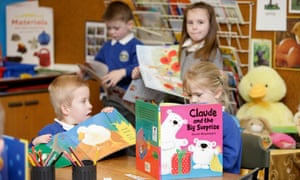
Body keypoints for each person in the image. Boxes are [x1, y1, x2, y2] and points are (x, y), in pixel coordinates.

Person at [182, 61, 242, 174]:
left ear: (217, 93)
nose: (193, 100)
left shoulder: (228, 123)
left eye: (199, 95)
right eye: (190, 95)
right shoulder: (190, 120)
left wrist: (204, 159)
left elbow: (229, 162)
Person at [30, 74, 113, 147]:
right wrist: (35, 143)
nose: (90, 106)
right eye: (83, 101)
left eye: (89, 100)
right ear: (66, 109)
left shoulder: (92, 125)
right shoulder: (50, 132)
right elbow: (31, 157)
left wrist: (106, 121)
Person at [95, 0, 143, 90]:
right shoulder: (107, 46)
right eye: (109, 28)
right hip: (107, 95)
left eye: (116, 28)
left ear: (130, 25)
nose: (112, 32)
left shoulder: (137, 45)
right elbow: (98, 65)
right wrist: (87, 73)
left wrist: (123, 72)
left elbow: (140, 66)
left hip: (128, 96)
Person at [178, 1, 223, 79]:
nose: (194, 27)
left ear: (210, 25)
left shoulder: (213, 53)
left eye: (200, 22)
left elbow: (218, 82)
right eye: (190, 22)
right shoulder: (184, 48)